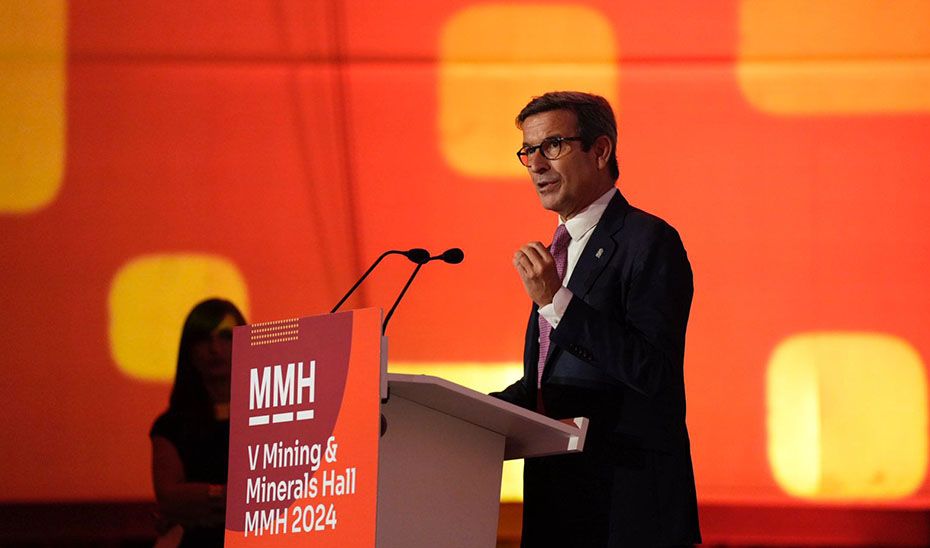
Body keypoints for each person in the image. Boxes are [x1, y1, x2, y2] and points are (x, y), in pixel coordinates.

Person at [492, 92, 701, 546]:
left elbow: (653, 372)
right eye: (528, 151)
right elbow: (547, 389)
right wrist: (444, 412)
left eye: (553, 146)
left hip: (626, 511)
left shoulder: (649, 241)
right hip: (558, 507)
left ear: (600, 150)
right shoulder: (558, 253)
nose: (536, 165)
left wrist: (557, 302)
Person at [150, 298, 246, 547]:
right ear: (189, 350)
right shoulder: (172, 425)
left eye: (226, 336)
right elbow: (169, 496)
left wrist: (203, 498)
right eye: (205, 338)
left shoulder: (270, 415)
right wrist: (228, 495)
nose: (215, 348)